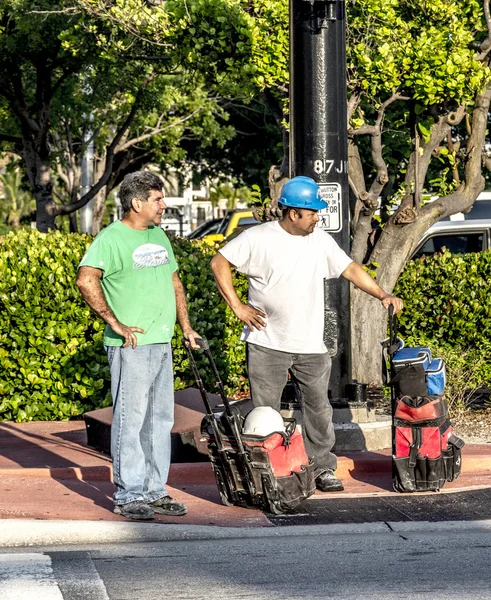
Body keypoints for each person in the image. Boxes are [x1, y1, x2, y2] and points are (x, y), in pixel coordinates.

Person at [210, 176, 403, 492]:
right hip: (267, 343)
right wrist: (238, 307)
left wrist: (382, 294)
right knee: (265, 412)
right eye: (312, 211)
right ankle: (268, 471)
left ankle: (322, 469)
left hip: (311, 344)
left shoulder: (321, 241)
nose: (318, 217)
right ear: (292, 212)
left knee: (318, 410)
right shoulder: (257, 238)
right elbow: (219, 263)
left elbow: (350, 269)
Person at [77, 171, 200, 520]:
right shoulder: (111, 238)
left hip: (162, 341)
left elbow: (174, 281)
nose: (164, 205)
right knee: (132, 420)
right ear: (136, 203)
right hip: (130, 346)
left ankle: (154, 491)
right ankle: (129, 494)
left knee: (160, 420)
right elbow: (86, 280)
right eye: (158, 200)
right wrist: (114, 322)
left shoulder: (159, 235)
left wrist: (185, 326)